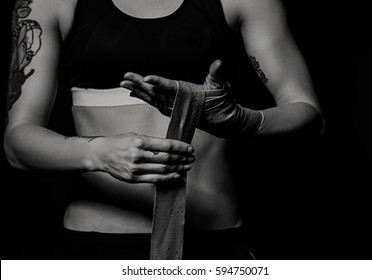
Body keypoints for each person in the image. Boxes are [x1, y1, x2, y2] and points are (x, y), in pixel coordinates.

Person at [4, 0, 324, 259]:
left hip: (216, 245)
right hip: (97, 246)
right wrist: (98, 153)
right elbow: (18, 142)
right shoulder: (50, 2)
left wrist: (242, 120)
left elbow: (309, 118)